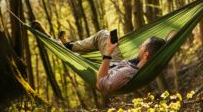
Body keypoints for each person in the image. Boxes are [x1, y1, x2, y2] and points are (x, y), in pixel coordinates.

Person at [31, 21, 166, 92]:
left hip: (109, 67)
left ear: (146, 55)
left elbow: (100, 83)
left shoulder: (127, 73)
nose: (140, 46)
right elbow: (171, 35)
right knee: (103, 34)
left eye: (142, 46)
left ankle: (53, 40)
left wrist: (108, 53)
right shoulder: (150, 59)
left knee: (75, 57)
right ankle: (70, 45)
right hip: (118, 62)